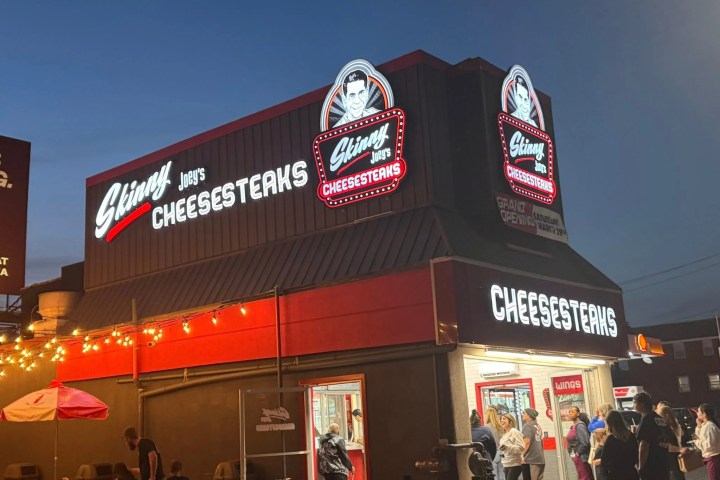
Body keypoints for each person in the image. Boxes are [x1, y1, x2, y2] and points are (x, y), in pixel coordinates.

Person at [633, 391, 669, 480]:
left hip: (651, 464)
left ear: (641, 404)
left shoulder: (646, 419)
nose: (634, 406)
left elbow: (644, 445)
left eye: (635, 403)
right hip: (663, 461)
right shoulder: (659, 418)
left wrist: (641, 466)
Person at [601, 411, 639, 480]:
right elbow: (636, 455)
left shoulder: (611, 439)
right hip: (631, 473)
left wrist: (605, 475)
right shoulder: (631, 436)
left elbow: (604, 460)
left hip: (615, 474)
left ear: (609, 423)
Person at [658, 405, 687, 480]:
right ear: (667, 415)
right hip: (671, 462)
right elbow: (662, 444)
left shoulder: (670, 427)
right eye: (671, 414)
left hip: (674, 461)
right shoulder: (664, 429)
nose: (673, 416)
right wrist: (679, 449)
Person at [693, 403, 720, 479]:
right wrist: (698, 426)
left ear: (704, 414)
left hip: (713, 458)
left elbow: (709, 445)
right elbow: (697, 437)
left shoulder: (710, 426)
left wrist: (697, 442)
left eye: (698, 411)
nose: (697, 413)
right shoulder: (705, 425)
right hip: (711, 458)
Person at [567, 406, 594, 480]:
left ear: (578, 413)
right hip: (577, 458)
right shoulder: (573, 426)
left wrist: (577, 454)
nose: (570, 413)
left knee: (585, 477)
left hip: (581, 457)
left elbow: (585, 442)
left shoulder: (580, 426)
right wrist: (573, 456)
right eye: (569, 412)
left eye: (572, 412)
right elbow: (571, 443)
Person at [497, 412, 524, 480]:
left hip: (514, 464)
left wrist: (508, 447)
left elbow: (521, 447)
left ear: (510, 421)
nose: (502, 420)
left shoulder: (514, 432)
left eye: (504, 419)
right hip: (506, 463)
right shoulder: (505, 434)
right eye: (501, 419)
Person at [520, 408, 545, 480]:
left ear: (529, 415)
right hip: (540, 458)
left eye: (524, 413)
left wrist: (522, 454)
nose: (523, 415)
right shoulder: (537, 426)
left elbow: (527, 442)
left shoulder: (527, 426)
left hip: (531, 459)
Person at [486, 405, 506, 480]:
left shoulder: (486, 428)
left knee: (494, 476)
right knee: (502, 475)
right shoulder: (501, 427)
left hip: (493, 454)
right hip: (502, 453)